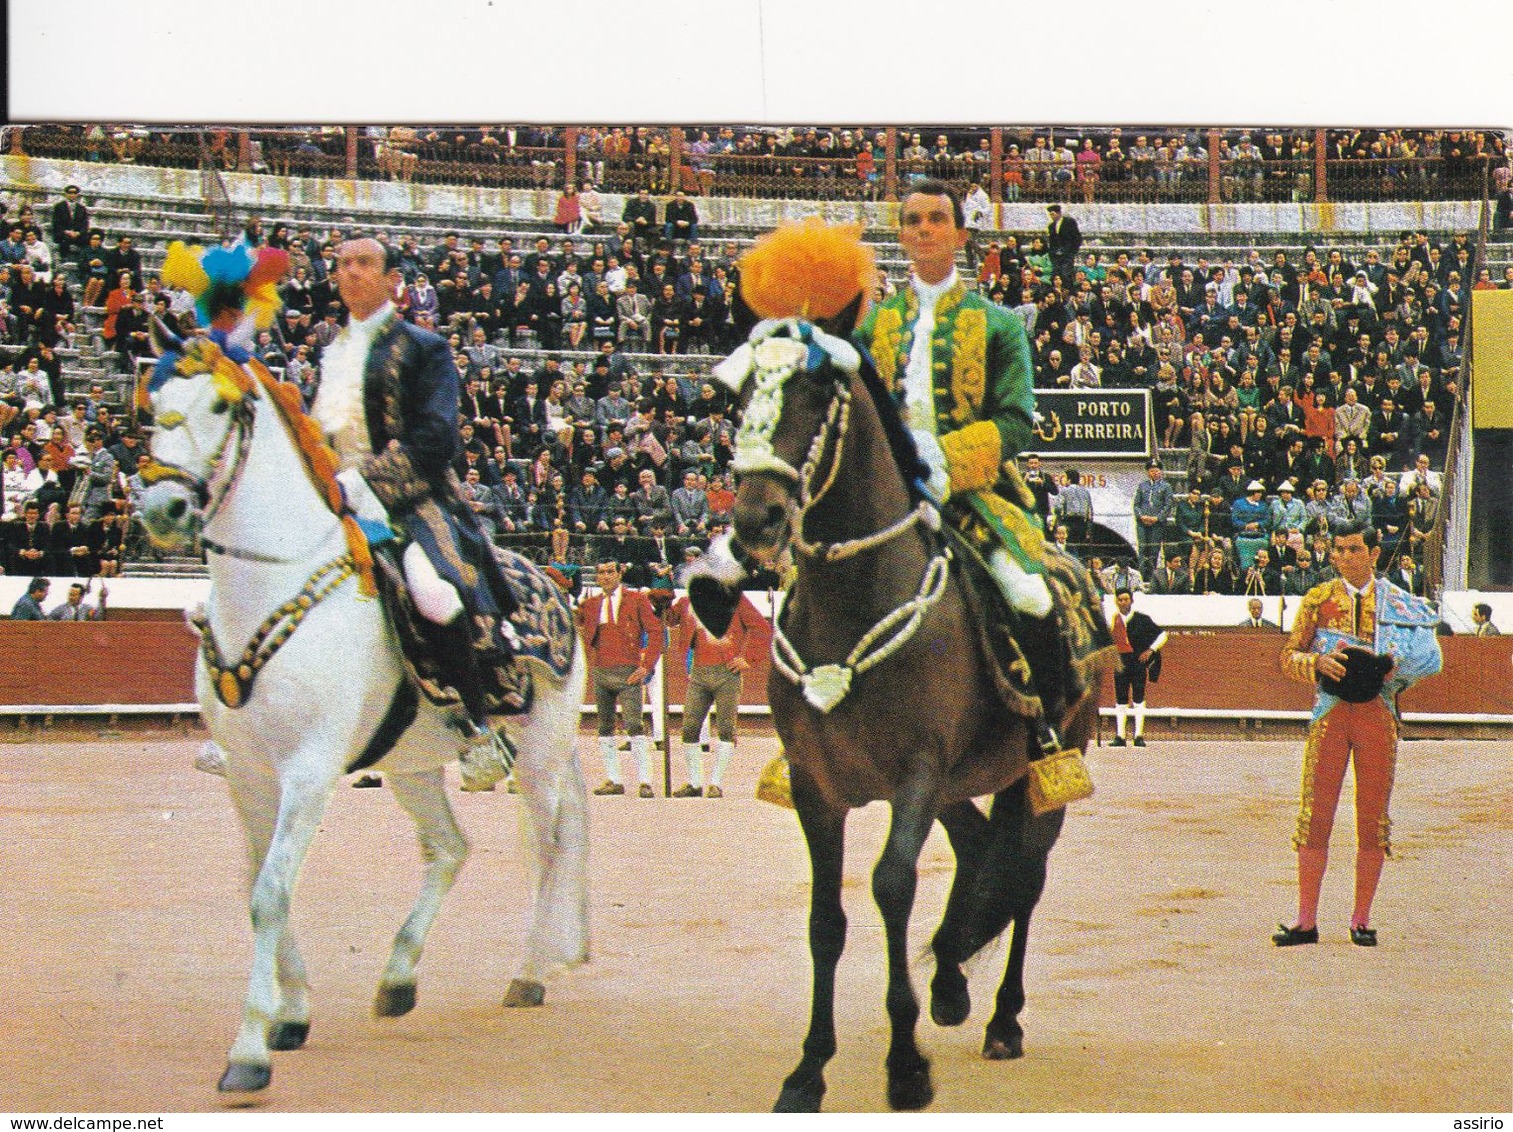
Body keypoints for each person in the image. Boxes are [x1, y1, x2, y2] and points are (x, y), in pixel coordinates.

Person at [314, 237, 519, 788]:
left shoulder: (424, 347)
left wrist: (366, 481)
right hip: (332, 498)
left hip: (409, 497)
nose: (351, 273)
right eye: (343, 265)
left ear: (392, 282)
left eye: (364, 264)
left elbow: (436, 438)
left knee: (434, 592)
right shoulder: (331, 352)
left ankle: (478, 729)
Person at [1275, 520, 1443, 948]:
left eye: (1353, 549)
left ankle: (1361, 919)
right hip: (1330, 715)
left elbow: (1427, 660)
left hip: (1376, 715)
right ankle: (1306, 920)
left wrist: (1392, 669)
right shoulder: (1317, 599)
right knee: (1316, 816)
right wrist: (1314, 665)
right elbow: (1288, 655)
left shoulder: (1399, 602)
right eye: (1339, 550)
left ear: (1373, 553)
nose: (1345, 557)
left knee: (1372, 819)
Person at [664, 588, 767, 798]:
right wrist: (661, 603)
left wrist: (748, 658)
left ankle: (716, 783)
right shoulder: (688, 602)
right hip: (699, 673)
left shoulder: (735, 600)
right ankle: (694, 783)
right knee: (689, 728)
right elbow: (669, 619)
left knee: (726, 729)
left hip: (727, 672)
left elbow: (762, 628)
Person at [576, 560, 664, 797]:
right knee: (605, 726)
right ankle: (613, 779)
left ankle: (645, 781)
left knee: (634, 724)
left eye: (609, 572)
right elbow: (573, 621)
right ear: (596, 577)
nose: (605, 576)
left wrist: (647, 665)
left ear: (619, 573)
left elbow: (656, 632)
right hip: (601, 670)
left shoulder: (636, 599)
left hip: (628, 671)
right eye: (601, 573)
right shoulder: (591, 604)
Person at [1108, 588, 1166, 747]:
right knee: (1121, 699)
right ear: (1116, 602)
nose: (1123, 602)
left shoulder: (1142, 619)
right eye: (1120, 600)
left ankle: (1138, 735)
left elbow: (1162, 635)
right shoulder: (1112, 620)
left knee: (1139, 698)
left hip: (1138, 663)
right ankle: (1120, 736)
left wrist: (1151, 650)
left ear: (1131, 601)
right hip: (1120, 663)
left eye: (1126, 599)